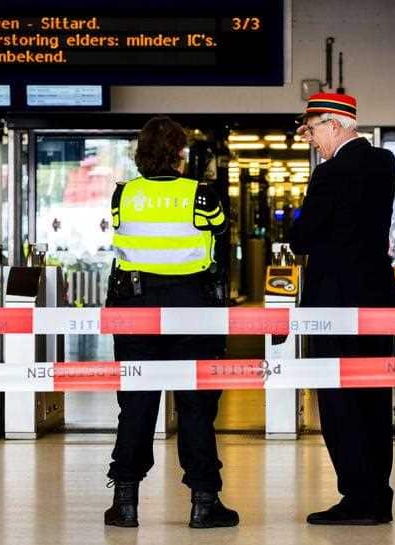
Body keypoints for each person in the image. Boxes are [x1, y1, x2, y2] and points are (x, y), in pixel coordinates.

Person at [103, 116, 238, 529]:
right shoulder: (201, 196)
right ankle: (203, 502)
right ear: (181, 155)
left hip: (135, 306)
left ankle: (125, 502)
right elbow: (220, 233)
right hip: (192, 309)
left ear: (141, 154)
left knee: (137, 406)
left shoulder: (122, 195)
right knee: (196, 408)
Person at [290, 92, 395, 525]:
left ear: (335, 124)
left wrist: (302, 222)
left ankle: (358, 497)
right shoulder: (384, 163)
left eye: (314, 129)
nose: (312, 139)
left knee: (339, 402)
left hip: (333, 301)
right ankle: (379, 494)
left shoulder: (330, 174)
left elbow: (302, 238)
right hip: (376, 296)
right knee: (374, 397)